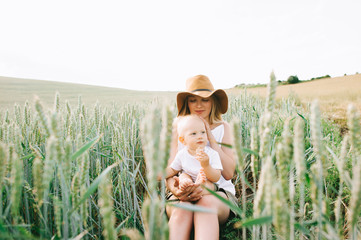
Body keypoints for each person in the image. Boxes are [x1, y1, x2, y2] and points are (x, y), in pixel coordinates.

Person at [166, 75, 237, 240]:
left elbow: (228, 174)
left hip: (218, 193)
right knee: (183, 208)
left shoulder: (224, 128)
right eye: (193, 100)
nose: (199, 105)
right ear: (187, 103)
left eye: (205, 100)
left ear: (213, 102)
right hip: (183, 193)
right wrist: (174, 189)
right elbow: (170, 171)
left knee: (205, 205)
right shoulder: (178, 129)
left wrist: (211, 138)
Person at [165, 115, 223, 192]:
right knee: (183, 175)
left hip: (208, 183)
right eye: (193, 134)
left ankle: (197, 189)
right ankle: (186, 185)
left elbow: (216, 177)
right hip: (191, 180)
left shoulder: (212, 154)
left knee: (209, 185)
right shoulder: (182, 154)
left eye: (203, 132)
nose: (200, 136)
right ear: (182, 140)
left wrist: (206, 165)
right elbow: (173, 170)